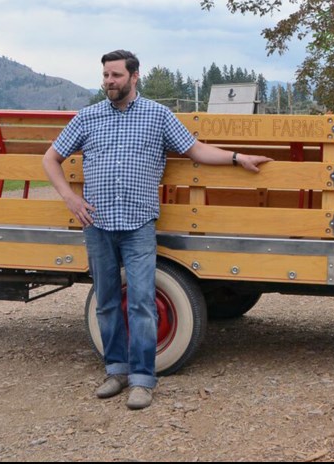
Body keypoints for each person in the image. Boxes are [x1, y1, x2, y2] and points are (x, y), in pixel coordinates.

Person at [42, 49, 271, 410]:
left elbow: (195, 150)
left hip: (139, 224)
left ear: (134, 77)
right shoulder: (87, 118)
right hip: (98, 224)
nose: (108, 82)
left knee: (143, 304)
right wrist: (70, 198)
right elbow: (50, 158)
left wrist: (237, 158)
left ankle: (142, 380)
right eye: (105, 75)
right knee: (106, 302)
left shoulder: (158, 115)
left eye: (115, 75)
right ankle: (115, 371)